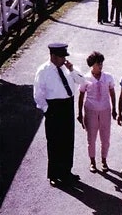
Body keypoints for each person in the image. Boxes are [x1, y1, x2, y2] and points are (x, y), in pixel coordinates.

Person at [33, 43, 86, 187]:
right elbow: (38, 93)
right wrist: (46, 110)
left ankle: (66, 171)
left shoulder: (68, 68)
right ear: (53, 56)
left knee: (68, 140)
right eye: (61, 57)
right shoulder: (43, 70)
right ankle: (54, 174)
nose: (64, 60)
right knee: (55, 142)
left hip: (68, 105)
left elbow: (83, 82)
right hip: (53, 108)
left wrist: (72, 69)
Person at [77, 51, 117, 173]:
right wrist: (80, 113)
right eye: (97, 63)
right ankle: (93, 162)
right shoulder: (85, 78)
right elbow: (81, 95)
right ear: (91, 65)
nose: (100, 66)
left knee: (105, 138)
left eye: (101, 63)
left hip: (105, 110)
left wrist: (114, 109)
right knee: (91, 138)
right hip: (91, 111)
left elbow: (112, 92)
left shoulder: (108, 77)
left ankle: (104, 161)